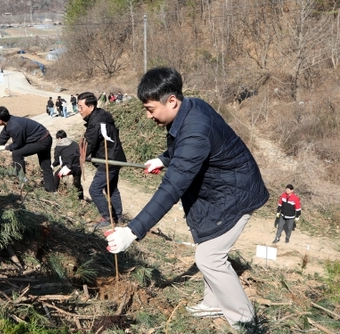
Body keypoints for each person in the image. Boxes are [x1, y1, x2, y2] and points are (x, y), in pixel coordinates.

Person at [104, 67, 269, 331]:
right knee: (207, 243)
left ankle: (245, 320)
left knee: (209, 257)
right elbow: (186, 147)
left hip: (235, 194)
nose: (148, 116)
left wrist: (133, 231)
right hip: (221, 189)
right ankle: (214, 302)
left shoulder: (195, 128)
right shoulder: (192, 106)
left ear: (172, 101)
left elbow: (171, 188)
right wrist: (164, 158)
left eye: (150, 109)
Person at [78, 91, 127, 229]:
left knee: (94, 190)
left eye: (81, 107)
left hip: (109, 160)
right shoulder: (100, 116)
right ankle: (118, 216)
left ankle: (107, 217)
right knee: (112, 189)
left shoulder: (97, 122)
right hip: (116, 157)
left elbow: (89, 143)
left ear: (91, 107)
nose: (79, 110)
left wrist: (80, 155)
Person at [0, 106, 54, 191]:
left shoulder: (14, 127)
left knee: (17, 153)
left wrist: (5, 147)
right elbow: (3, 136)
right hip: (45, 137)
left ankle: (21, 180)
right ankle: (51, 190)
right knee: (46, 166)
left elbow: (17, 145)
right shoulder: (10, 122)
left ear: (0, 120)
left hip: (42, 141)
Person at [52, 130, 83, 200]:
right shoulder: (74, 143)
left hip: (68, 167)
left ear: (59, 138)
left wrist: (52, 165)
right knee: (77, 183)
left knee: (57, 175)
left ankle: (54, 193)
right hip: (78, 166)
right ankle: (81, 199)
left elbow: (57, 161)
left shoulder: (59, 146)